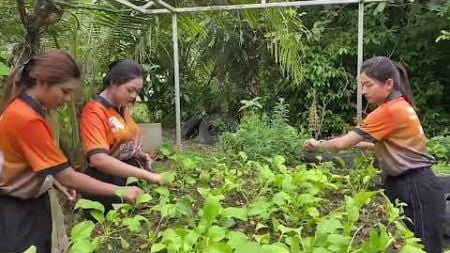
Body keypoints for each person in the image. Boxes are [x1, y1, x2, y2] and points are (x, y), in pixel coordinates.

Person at [0, 51, 143, 253]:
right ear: (43, 82)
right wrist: (122, 191)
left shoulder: (23, 110)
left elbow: (24, 162)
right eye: (65, 91)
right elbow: (69, 176)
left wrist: (53, 181)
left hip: (25, 207)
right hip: (17, 213)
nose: (67, 99)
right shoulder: (27, 119)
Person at [303, 56, 444, 253]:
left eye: (368, 85)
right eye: (362, 85)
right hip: (418, 184)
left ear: (388, 84)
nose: (363, 91)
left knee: (424, 248)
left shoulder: (388, 111)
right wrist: (357, 146)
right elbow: (384, 146)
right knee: (420, 245)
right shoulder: (401, 106)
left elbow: (341, 144)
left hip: (414, 187)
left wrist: (318, 144)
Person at [79, 59, 162, 212]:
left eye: (137, 91)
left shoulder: (121, 108)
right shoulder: (94, 112)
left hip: (126, 179)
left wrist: (139, 154)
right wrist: (146, 175)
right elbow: (99, 160)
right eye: (130, 89)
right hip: (104, 184)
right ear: (114, 83)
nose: (134, 96)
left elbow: (121, 140)